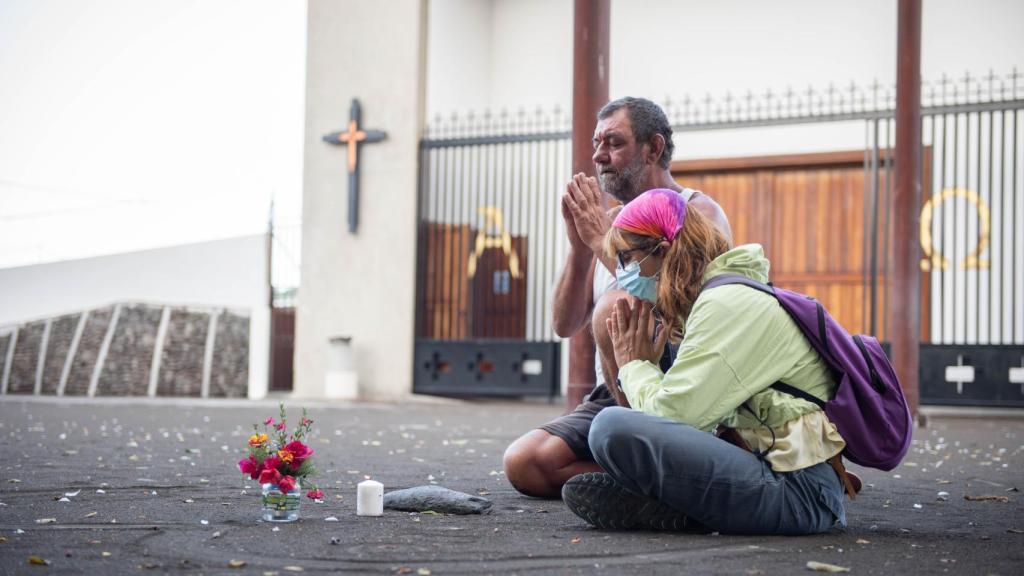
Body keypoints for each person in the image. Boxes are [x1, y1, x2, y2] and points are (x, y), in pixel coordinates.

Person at [560, 188, 848, 534]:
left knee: (611, 428)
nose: (621, 272)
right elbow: (691, 420)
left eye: (625, 258)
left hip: (801, 494)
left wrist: (634, 365)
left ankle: (682, 509)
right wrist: (647, 368)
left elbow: (673, 416)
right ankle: (681, 507)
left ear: (662, 250)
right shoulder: (715, 298)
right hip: (781, 476)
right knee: (612, 432)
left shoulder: (726, 304)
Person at [502, 97, 732, 498]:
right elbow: (564, 323)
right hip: (612, 390)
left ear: (654, 148)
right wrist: (579, 248)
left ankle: (657, 460)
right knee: (525, 463)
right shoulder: (605, 222)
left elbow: (682, 300)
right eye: (597, 143)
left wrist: (596, 239)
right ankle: (654, 478)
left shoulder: (699, 212)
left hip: (674, 379)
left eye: (613, 142)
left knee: (613, 307)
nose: (599, 155)